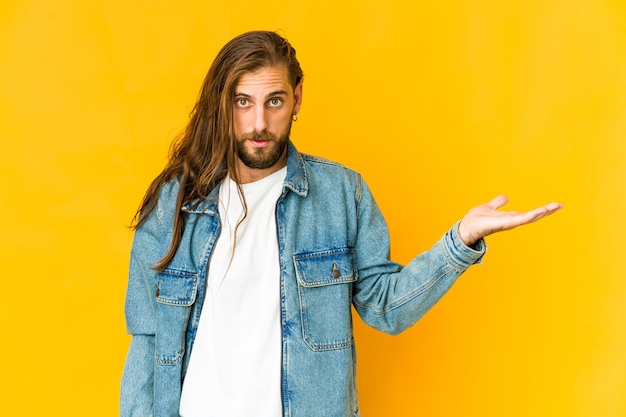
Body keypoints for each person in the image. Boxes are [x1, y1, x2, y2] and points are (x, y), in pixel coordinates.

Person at [120, 30, 562, 417]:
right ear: (223, 104)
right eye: (242, 102)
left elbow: (386, 308)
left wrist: (460, 240)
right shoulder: (174, 203)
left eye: (274, 101)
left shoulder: (341, 194)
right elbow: (146, 342)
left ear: (297, 97)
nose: (258, 123)